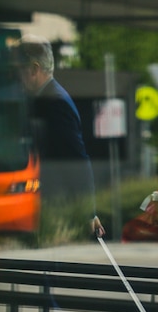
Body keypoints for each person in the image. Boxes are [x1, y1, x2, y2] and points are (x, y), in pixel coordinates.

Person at [12, 35, 105, 238]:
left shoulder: (55, 103)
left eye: (18, 69)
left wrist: (88, 213)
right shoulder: (46, 99)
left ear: (34, 69)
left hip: (55, 209)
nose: (15, 77)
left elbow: (76, 160)